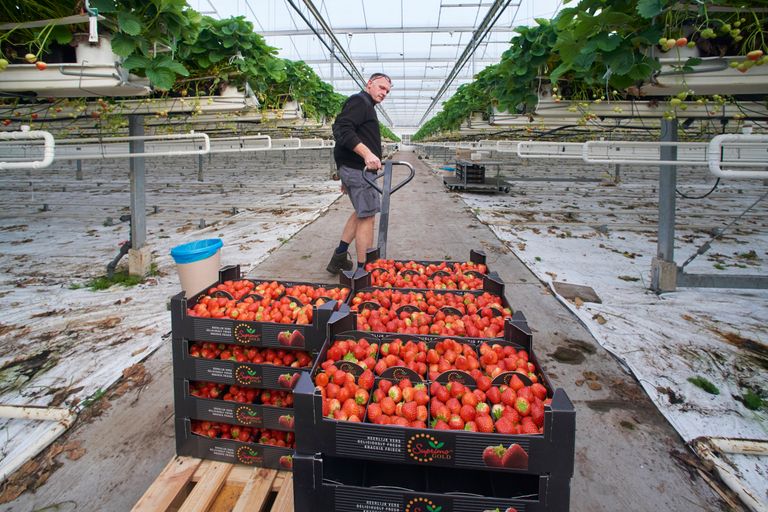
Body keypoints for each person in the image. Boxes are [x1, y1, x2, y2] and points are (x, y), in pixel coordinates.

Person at [326, 72, 392, 275]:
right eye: (381, 88)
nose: (384, 93)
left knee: (363, 211)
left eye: (387, 91)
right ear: (369, 84)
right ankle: (364, 271)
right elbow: (341, 130)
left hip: (355, 170)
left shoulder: (366, 105)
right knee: (367, 216)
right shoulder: (359, 101)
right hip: (358, 170)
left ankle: (339, 256)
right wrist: (367, 154)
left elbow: (345, 137)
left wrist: (344, 171)